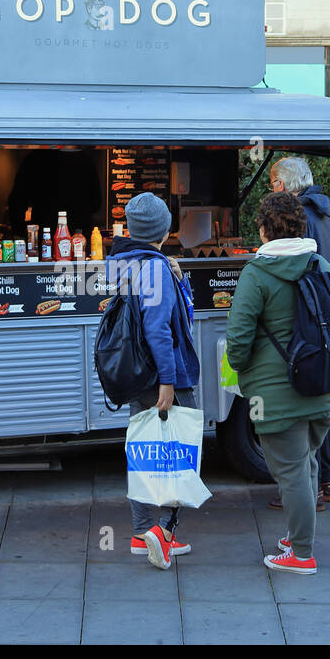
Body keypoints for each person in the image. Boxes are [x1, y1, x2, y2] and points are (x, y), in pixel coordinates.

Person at [225, 192, 330, 575]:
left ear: (263, 229)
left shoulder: (258, 273)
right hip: (326, 385)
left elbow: (239, 339)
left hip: (277, 394)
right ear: (300, 226)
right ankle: (299, 536)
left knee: (292, 471)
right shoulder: (321, 265)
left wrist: (243, 370)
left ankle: (301, 553)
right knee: (306, 463)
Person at [107, 192, 200, 571]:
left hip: (135, 373)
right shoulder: (156, 267)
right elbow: (160, 328)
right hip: (165, 375)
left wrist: (179, 279)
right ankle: (163, 531)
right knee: (182, 454)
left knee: (143, 452)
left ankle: (140, 530)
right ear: (164, 229)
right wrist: (168, 381)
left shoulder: (122, 263)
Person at [268, 156, 330, 509]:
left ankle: (307, 493)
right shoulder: (325, 213)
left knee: (301, 410)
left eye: (273, 182)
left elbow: (296, 269)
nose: (271, 189)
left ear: (284, 183)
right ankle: (325, 482)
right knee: (320, 403)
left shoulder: (300, 217)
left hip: (307, 319)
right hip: (327, 317)